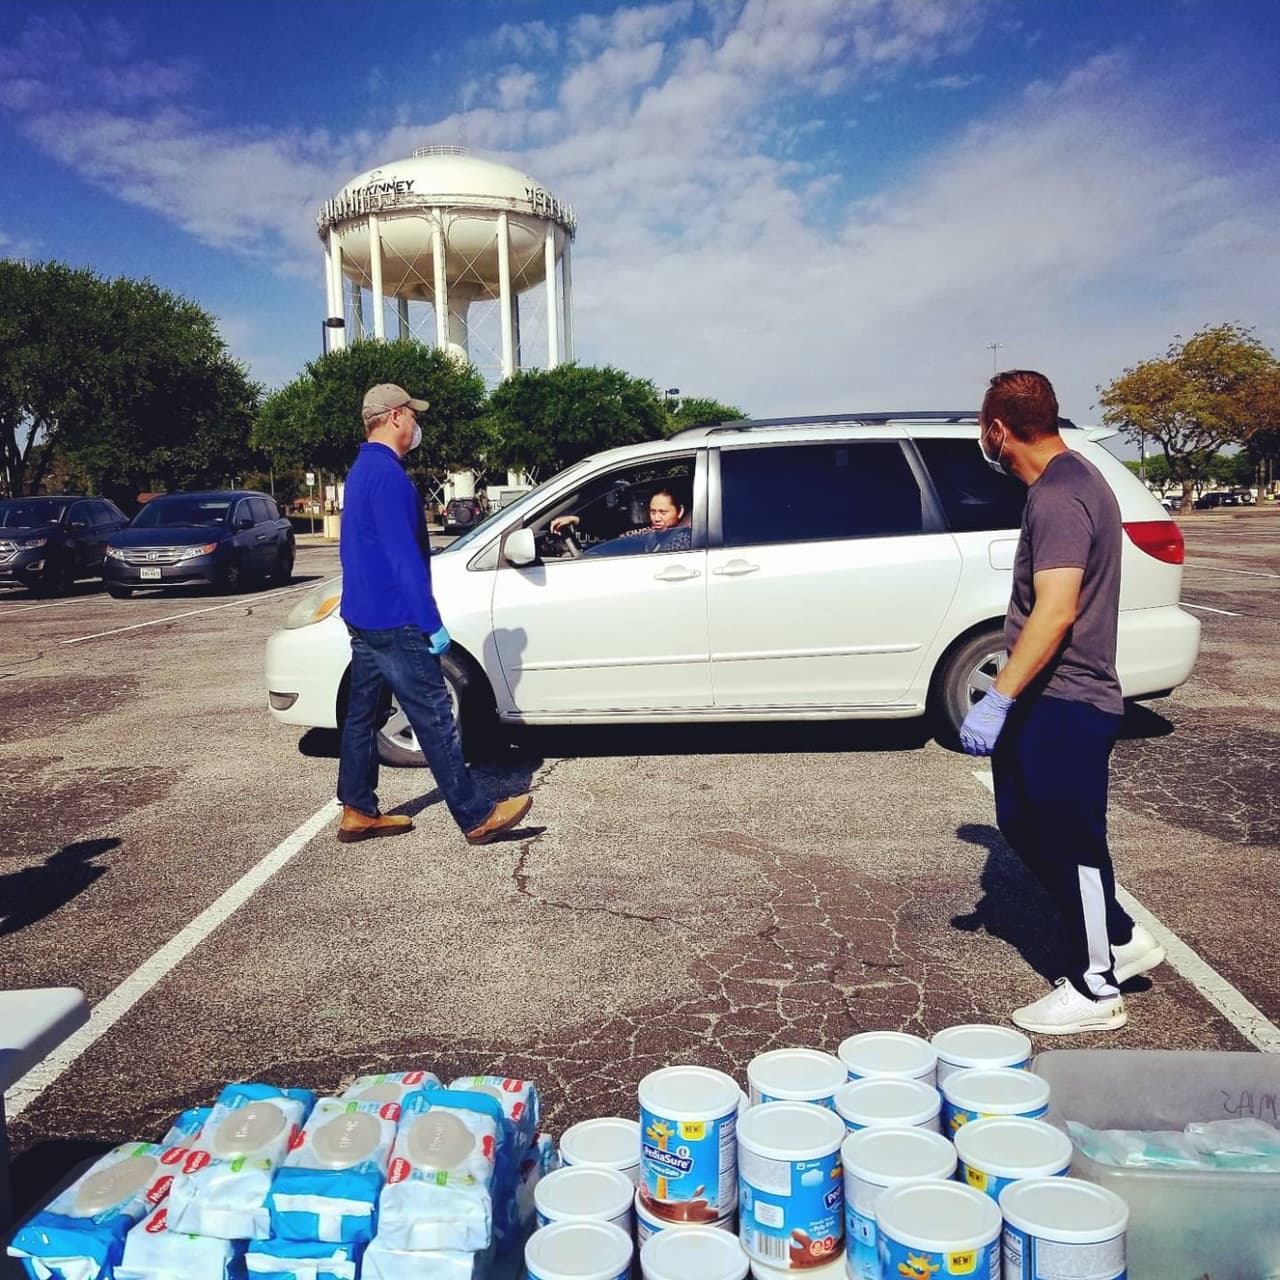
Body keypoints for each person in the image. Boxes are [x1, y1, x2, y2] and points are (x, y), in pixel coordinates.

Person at [959, 370, 1164, 1035]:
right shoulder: (1067, 482)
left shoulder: (1060, 493)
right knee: (1021, 820)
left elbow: (1055, 610)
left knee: (1073, 842)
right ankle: (1122, 937)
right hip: (1049, 700)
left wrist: (1000, 695)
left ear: (998, 429)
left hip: (1068, 698)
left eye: (981, 430)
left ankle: (1097, 988)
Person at [335, 383, 532, 845]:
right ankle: (476, 815)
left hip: (363, 615)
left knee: (363, 715)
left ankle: (357, 809)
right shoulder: (390, 479)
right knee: (435, 717)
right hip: (396, 618)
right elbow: (404, 560)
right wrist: (430, 624)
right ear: (397, 417)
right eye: (413, 415)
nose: (416, 424)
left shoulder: (362, 471)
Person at [550, 487, 692, 554]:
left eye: (663, 512)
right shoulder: (653, 533)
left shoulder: (683, 540)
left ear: (680, 511)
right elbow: (619, 533)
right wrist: (576, 520)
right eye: (653, 511)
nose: (656, 518)